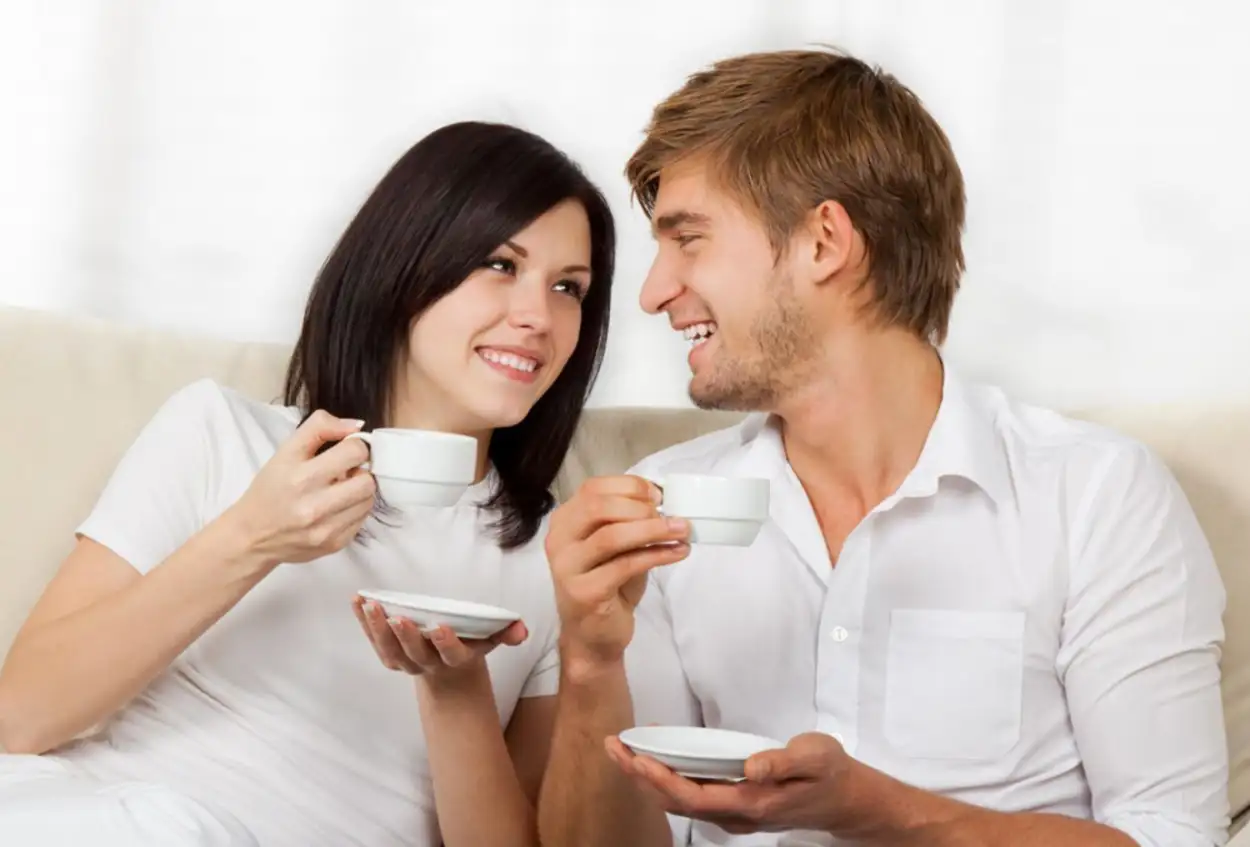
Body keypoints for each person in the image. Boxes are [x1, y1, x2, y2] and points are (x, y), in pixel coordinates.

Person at [538, 48, 1229, 847]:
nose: (653, 292)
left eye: (689, 239)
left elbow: (1175, 836)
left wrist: (875, 809)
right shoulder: (659, 501)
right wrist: (590, 662)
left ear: (825, 241)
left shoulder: (1093, 495)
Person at [0, 120, 615, 846]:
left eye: (569, 287)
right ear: (404, 265)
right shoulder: (223, 433)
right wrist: (252, 539)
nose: (538, 317)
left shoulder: (562, 558)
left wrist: (455, 691)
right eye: (501, 264)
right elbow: (20, 718)